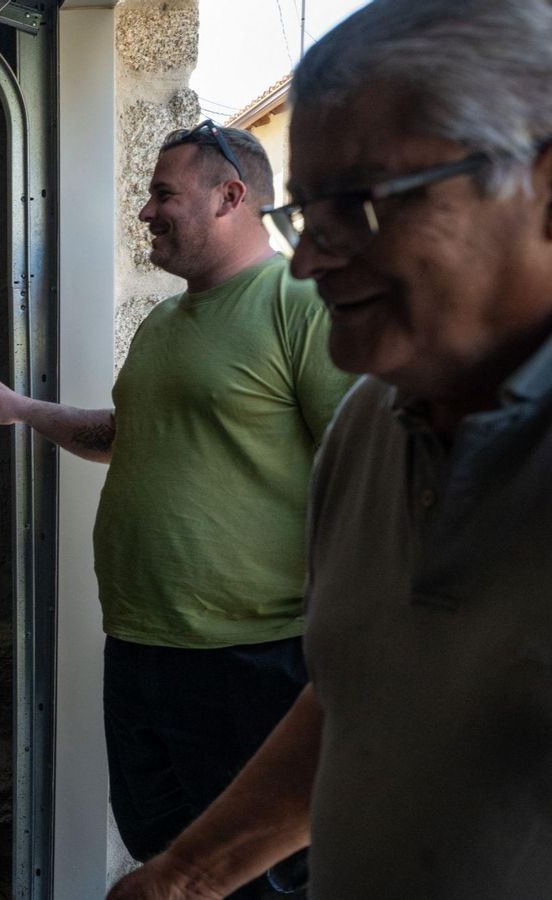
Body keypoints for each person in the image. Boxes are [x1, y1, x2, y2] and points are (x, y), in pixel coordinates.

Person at [107, 2, 552, 897]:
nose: (309, 261)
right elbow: (360, 692)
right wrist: (187, 877)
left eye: (360, 204)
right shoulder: (375, 424)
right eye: (308, 213)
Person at [0, 122, 354, 895]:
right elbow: (125, 436)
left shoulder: (299, 303)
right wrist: (27, 411)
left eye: (163, 194)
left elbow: (359, 466)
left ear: (230, 197)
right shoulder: (164, 323)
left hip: (251, 654)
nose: (145, 211)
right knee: (161, 850)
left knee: (255, 875)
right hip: (141, 642)